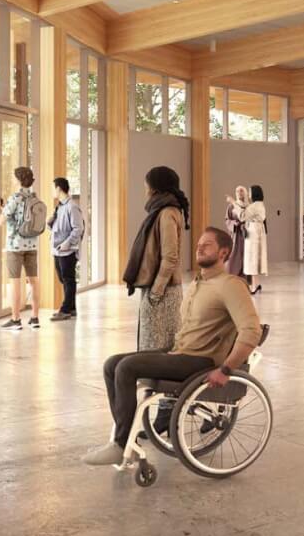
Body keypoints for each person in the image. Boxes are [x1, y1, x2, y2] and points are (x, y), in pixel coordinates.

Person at [83, 227, 264, 467]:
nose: (199, 247)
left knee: (127, 367)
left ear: (224, 252)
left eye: (207, 244)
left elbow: (251, 331)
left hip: (201, 360)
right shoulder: (198, 284)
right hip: (180, 352)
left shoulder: (231, 285)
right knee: (112, 364)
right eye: (199, 243)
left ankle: (120, 444)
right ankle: (125, 440)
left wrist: (227, 370)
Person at [123, 165, 188, 352]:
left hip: (164, 290)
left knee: (157, 346)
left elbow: (170, 257)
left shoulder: (167, 213)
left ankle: (154, 380)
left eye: (147, 183)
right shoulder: (163, 211)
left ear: (155, 187)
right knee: (155, 343)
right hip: (160, 287)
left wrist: (156, 293)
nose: (145, 187)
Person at [3, 166, 46, 331]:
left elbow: (1, 220)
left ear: (18, 180)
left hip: (15, 245)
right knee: (34, 280)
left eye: (14, 177)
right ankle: (35, 318)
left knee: (15, 282)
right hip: (32, 244)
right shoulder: (34, 197)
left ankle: (15, 320)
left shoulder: (15, 198)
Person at [47, 177, 84, 322]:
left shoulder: (72, 206)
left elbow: (78, 228)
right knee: (63, 279)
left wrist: (67, 244)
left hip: (67, 250)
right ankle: (72, 308)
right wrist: (50, 222)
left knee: (68, 280)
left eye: (52, 188)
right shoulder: (60, 206)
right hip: (57, 250)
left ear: (59, 188)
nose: (52, 191)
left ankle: (65, 309)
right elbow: (56, 227)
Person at [243, 184, 270, 294]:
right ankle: (256, 284)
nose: (248, 194)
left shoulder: (255, 206)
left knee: (253, 258)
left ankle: (254, 286)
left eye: (249, 192)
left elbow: (243, 215)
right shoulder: (258, 205)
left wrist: (233, 203)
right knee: (255, 258)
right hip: (257, 231)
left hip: (254, 232)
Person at [225, 186, 250, 280]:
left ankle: (246, 279)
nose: (239, 193)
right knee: (234, 256)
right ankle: (233, 277)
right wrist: (235, 224)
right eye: (237, 191)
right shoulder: (231, 206)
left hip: (247, 234)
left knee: (246, 256)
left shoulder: (249, 206)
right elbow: (227, 220)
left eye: (241, 191)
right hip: (236, 235)